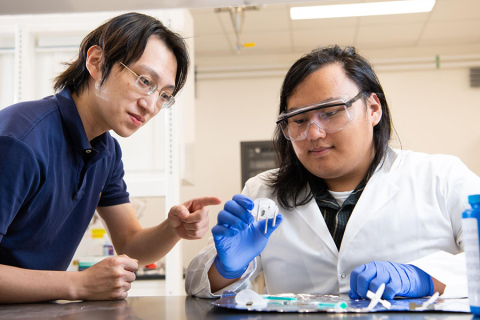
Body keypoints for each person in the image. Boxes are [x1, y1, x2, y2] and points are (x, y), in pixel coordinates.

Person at [185, 45, 478, 300]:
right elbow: (199, 287)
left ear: (373, 109)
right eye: (298, 119)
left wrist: (423, 278)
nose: (313, 132)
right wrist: (227, 268)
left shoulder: (441, 177)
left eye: (331, 111)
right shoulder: (263, 192)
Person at [0, 12, 221, 303]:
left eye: (164, 95)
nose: (151, 105)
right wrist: (78, 284)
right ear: (96, 62)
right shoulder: (20, 139)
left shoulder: (107, 151)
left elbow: (131, 244)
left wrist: (172, 228)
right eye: (144, 81)